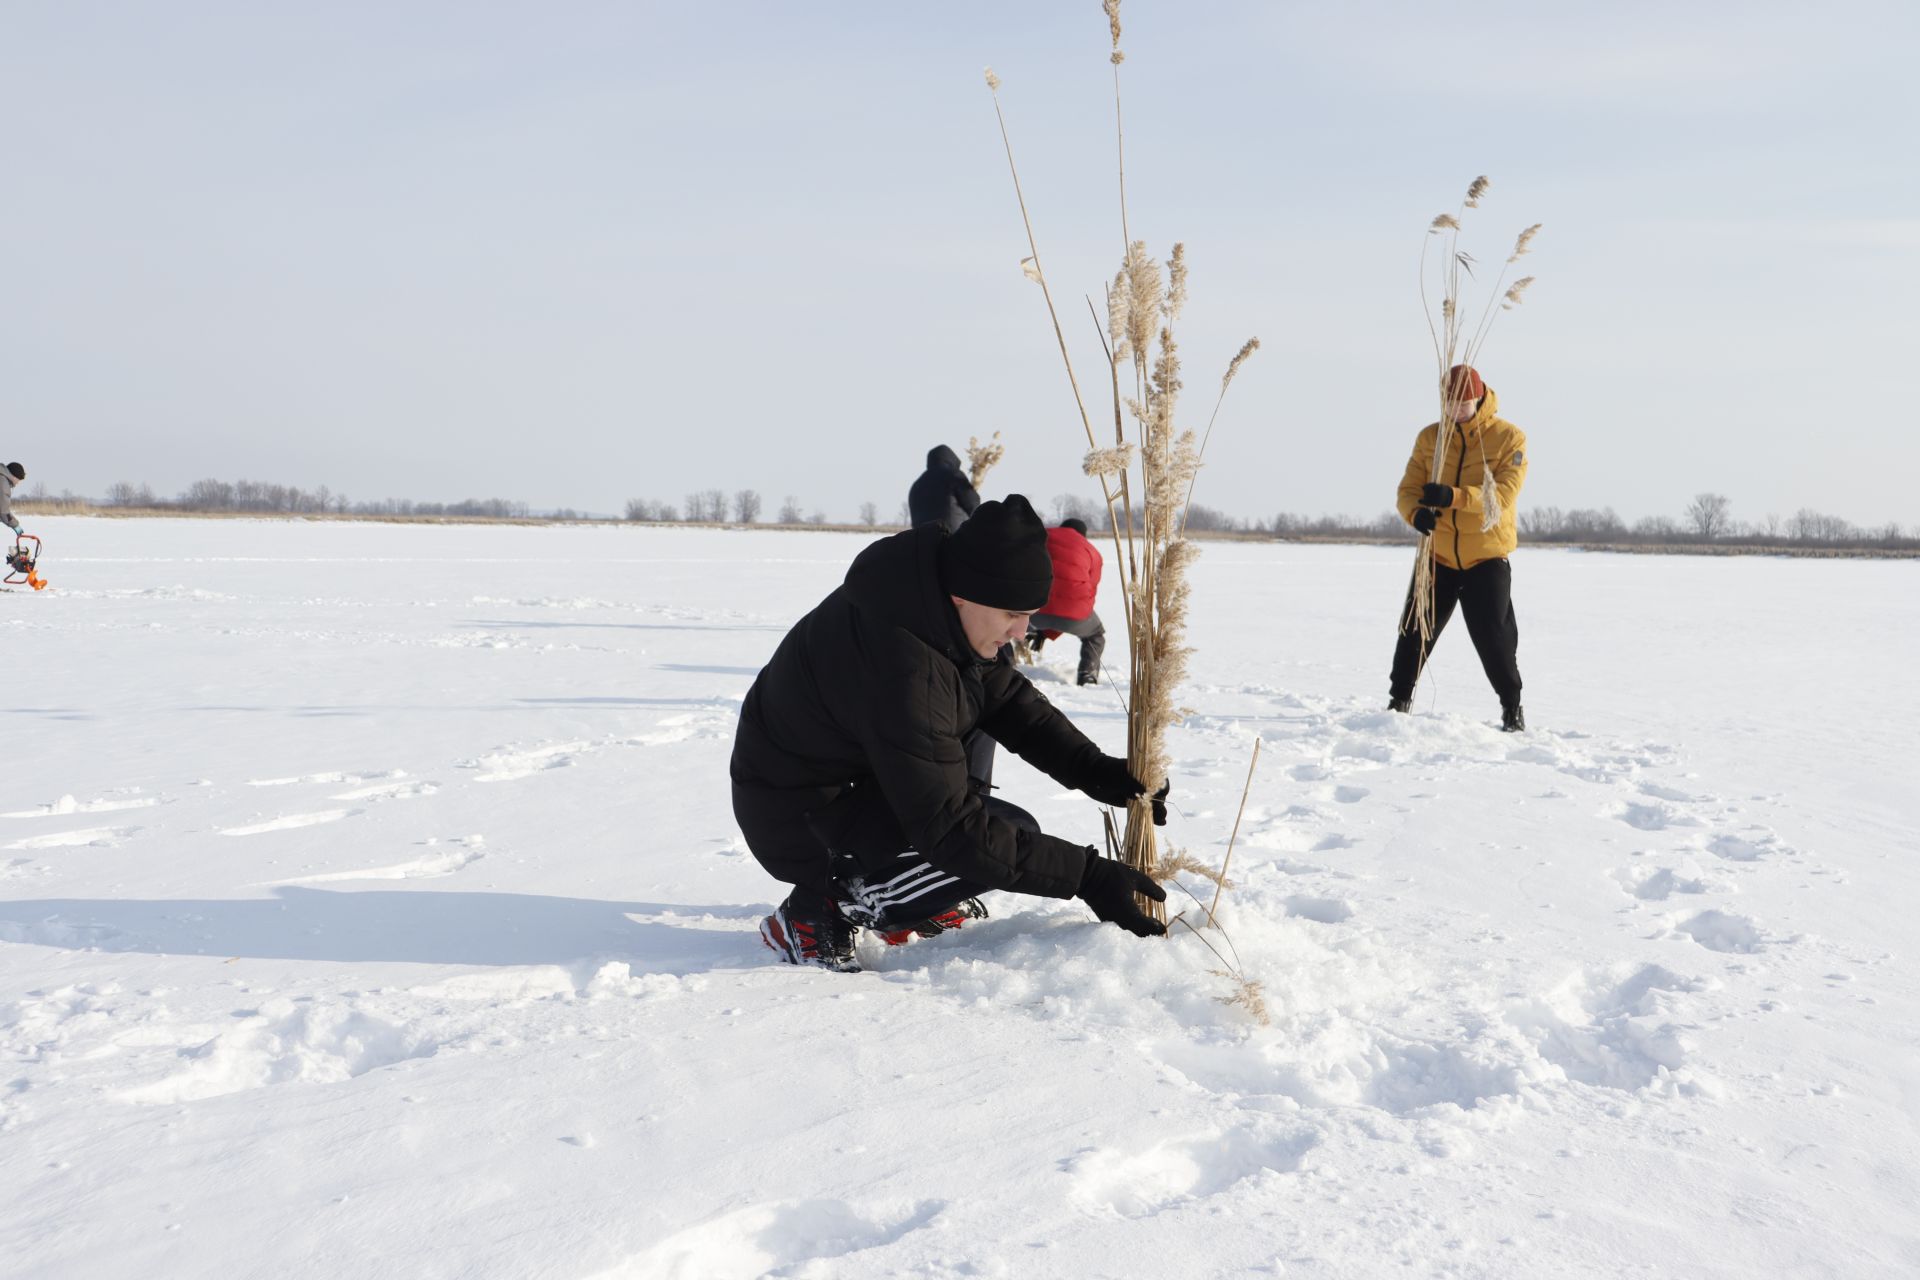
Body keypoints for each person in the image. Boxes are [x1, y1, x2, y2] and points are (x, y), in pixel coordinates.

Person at [730, 493, 1169, 972]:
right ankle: (820, 909)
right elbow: (955, 833)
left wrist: (1097, 771)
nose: (1023, 632)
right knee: (998, 839)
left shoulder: (933, 609)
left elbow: (1008, 701)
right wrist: (1090, 877)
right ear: (964, 594)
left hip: (859, 780)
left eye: (1028, 615)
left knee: (980, 741)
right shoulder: (904, 668)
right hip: (800, 815)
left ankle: (904, 891)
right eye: (1012, 615)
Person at [1389, 364, 1530, 731]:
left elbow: (1501, 495)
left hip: (1485, 556)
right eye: (1450, 404)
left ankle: (1511, 707)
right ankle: (1398, 701)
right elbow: (1407, 491)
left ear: (1479, 397)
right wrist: (1415, 514)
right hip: (1437, 556)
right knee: (1414, 630)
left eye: (1464, 404)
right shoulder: (1430, 438)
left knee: (1494, 639)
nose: (1456, 411)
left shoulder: (1508, 438)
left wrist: (1453, 497)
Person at [1026, 517, 1106, 686]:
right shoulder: (1092, 551)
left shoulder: (1042, 535)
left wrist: (1043, 627)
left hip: (1033, 610)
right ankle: (1087, 675)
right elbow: (1089, 593)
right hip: (1075, 613)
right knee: (1095, 635)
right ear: (1083, 535)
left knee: (1005, 625)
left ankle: (1004, 665)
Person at [906, 444, 981, 532]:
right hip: (954, 537)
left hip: (923, 542)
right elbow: (973, 504)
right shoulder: (954, 475)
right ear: (952, 460)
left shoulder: (916, 485)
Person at [1, 462, 24, 537]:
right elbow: (3, 511)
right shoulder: (3, 483)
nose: (18, 482)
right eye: (19, 479)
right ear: (14, 476)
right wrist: (15, 525)